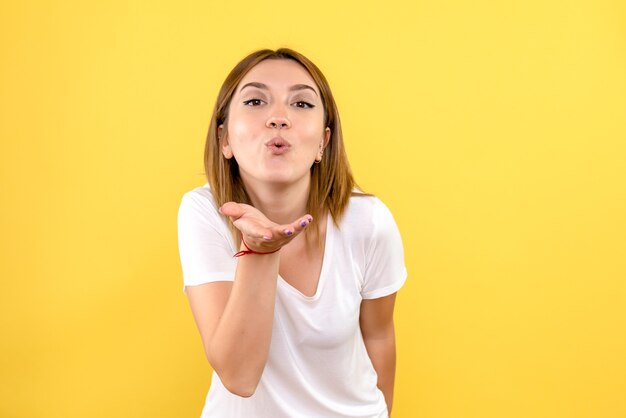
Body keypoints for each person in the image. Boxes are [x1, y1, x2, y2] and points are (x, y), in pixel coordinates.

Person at [177, 47, 407, 418]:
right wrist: (259, 251)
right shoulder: (204, 213)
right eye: (255, 100)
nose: (278, 118)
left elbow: (379, 337)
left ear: (323, 142)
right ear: (225, 140)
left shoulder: (368, 220)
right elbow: (238, 375)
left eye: (301, 104)